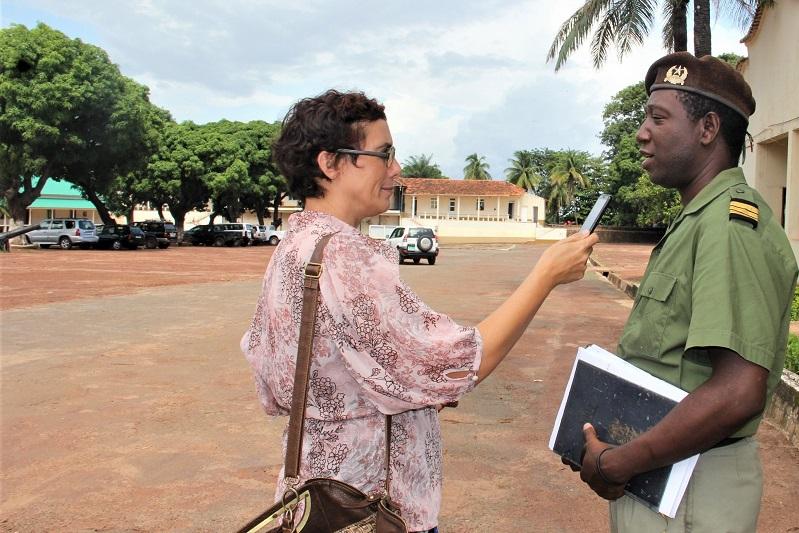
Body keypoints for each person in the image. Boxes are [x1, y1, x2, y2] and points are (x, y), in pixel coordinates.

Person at [241, 89, 599, 533]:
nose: (396, 169)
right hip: (372, 508)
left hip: (314, 500)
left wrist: (397, 391)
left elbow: (279, 380)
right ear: (330, 163)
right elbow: (455, 362)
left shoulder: (294, 248)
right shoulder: (347, 257)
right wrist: (544, 276)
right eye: (383, 154)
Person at [572, 53, 799, 532]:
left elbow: (738, 391)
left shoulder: (729, 226)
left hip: (692, 484)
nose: (641, 133)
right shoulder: (697, 220)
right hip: (662, 475)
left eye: (658, 118)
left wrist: (621, 462)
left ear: (708, 128)